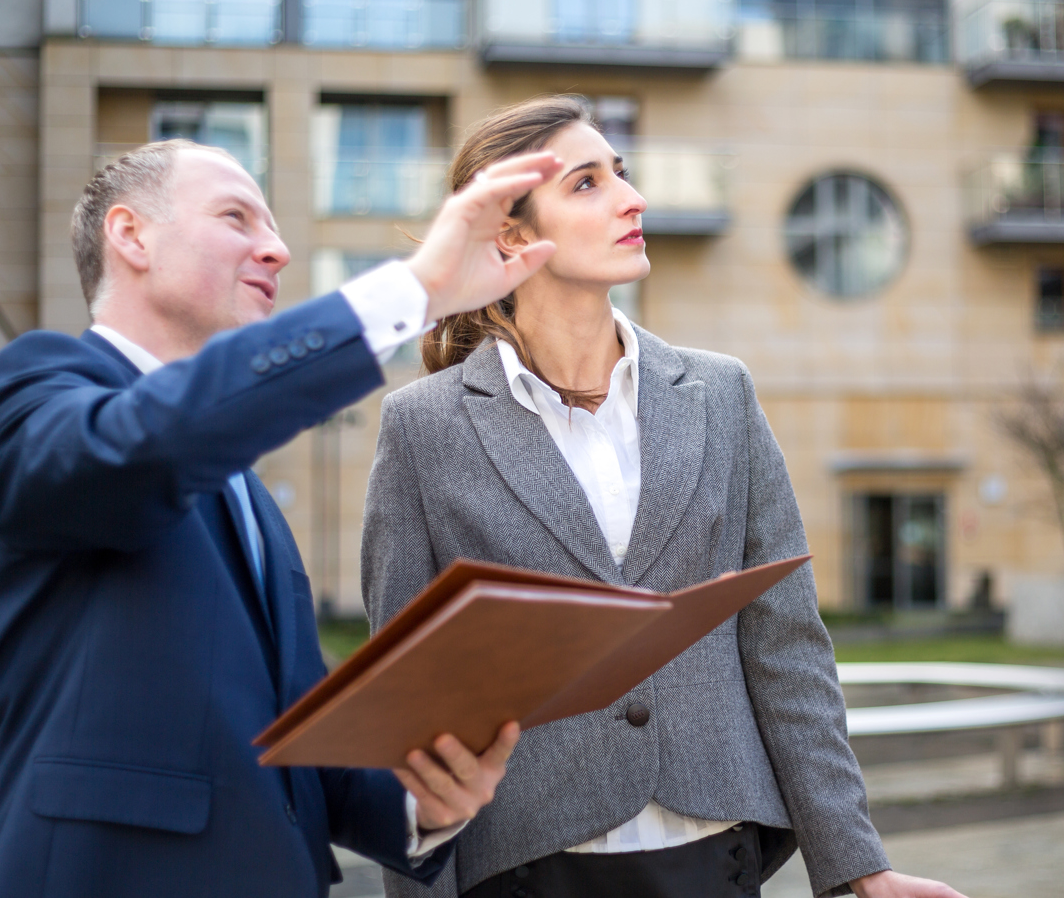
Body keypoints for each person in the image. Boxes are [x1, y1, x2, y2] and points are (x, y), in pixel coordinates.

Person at [361, 97, 971, 898]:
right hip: (524, 867)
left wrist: (858, 865)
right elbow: (412, 707)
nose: (630, 198)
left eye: (622, 173)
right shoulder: (423, 428)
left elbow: (787, 648)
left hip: (711, 855)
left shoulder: (721, 393)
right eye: (586, 184)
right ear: (509, 234)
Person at [0, 137, 564, 898]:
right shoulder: (33, 384)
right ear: (130, 234)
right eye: (237, 218)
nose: (276, 250)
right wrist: (412, 293)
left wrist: (420, 802)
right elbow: (141, 449)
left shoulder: (247, 495)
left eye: (274, 229)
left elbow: (289, 742)